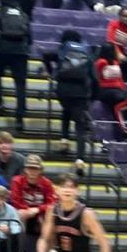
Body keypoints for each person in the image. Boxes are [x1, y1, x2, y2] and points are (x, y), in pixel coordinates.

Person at [47, 30, 93, 165]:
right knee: (80, 126)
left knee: (66, 109)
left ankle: (64, 141)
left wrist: (51, 72)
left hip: (62, 90)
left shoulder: (63, 50)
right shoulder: (85, 52)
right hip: (80, 92)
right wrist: (92, 96)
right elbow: (94, 77)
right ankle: (80, 159)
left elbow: (46, 56)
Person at [0, 2, 31, 134]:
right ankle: (19, 118)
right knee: (20, 85)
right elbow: (30, 38)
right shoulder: (24, 14)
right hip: (21, 52)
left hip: (3, 49)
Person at [9, 154, 55, 252]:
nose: (32, 171)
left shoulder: (46, 183)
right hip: (23, 212)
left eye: (35, 169)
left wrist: (38, 210)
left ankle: (48, 250)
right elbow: (15, 201)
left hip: (40, 214)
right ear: (25, 169)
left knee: (50, 216)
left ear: (40, 170)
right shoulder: (17, 181)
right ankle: (19, 250)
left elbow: (52, 203)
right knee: (19, 214)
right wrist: (28, 210)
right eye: (30, 168)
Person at [106, 7, 127, 83]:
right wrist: (118, 54)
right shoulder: (113, 24)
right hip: (111, 52)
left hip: (123, 56)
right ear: (120, 16)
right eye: (124, 16)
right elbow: (111, 41)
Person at [94, 43, 127, 111]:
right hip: (105, 90)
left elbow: (120, 79)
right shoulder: (101, 62)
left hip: (117, 90)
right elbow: (96, 78)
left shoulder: (115, 63)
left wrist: (123, 89)